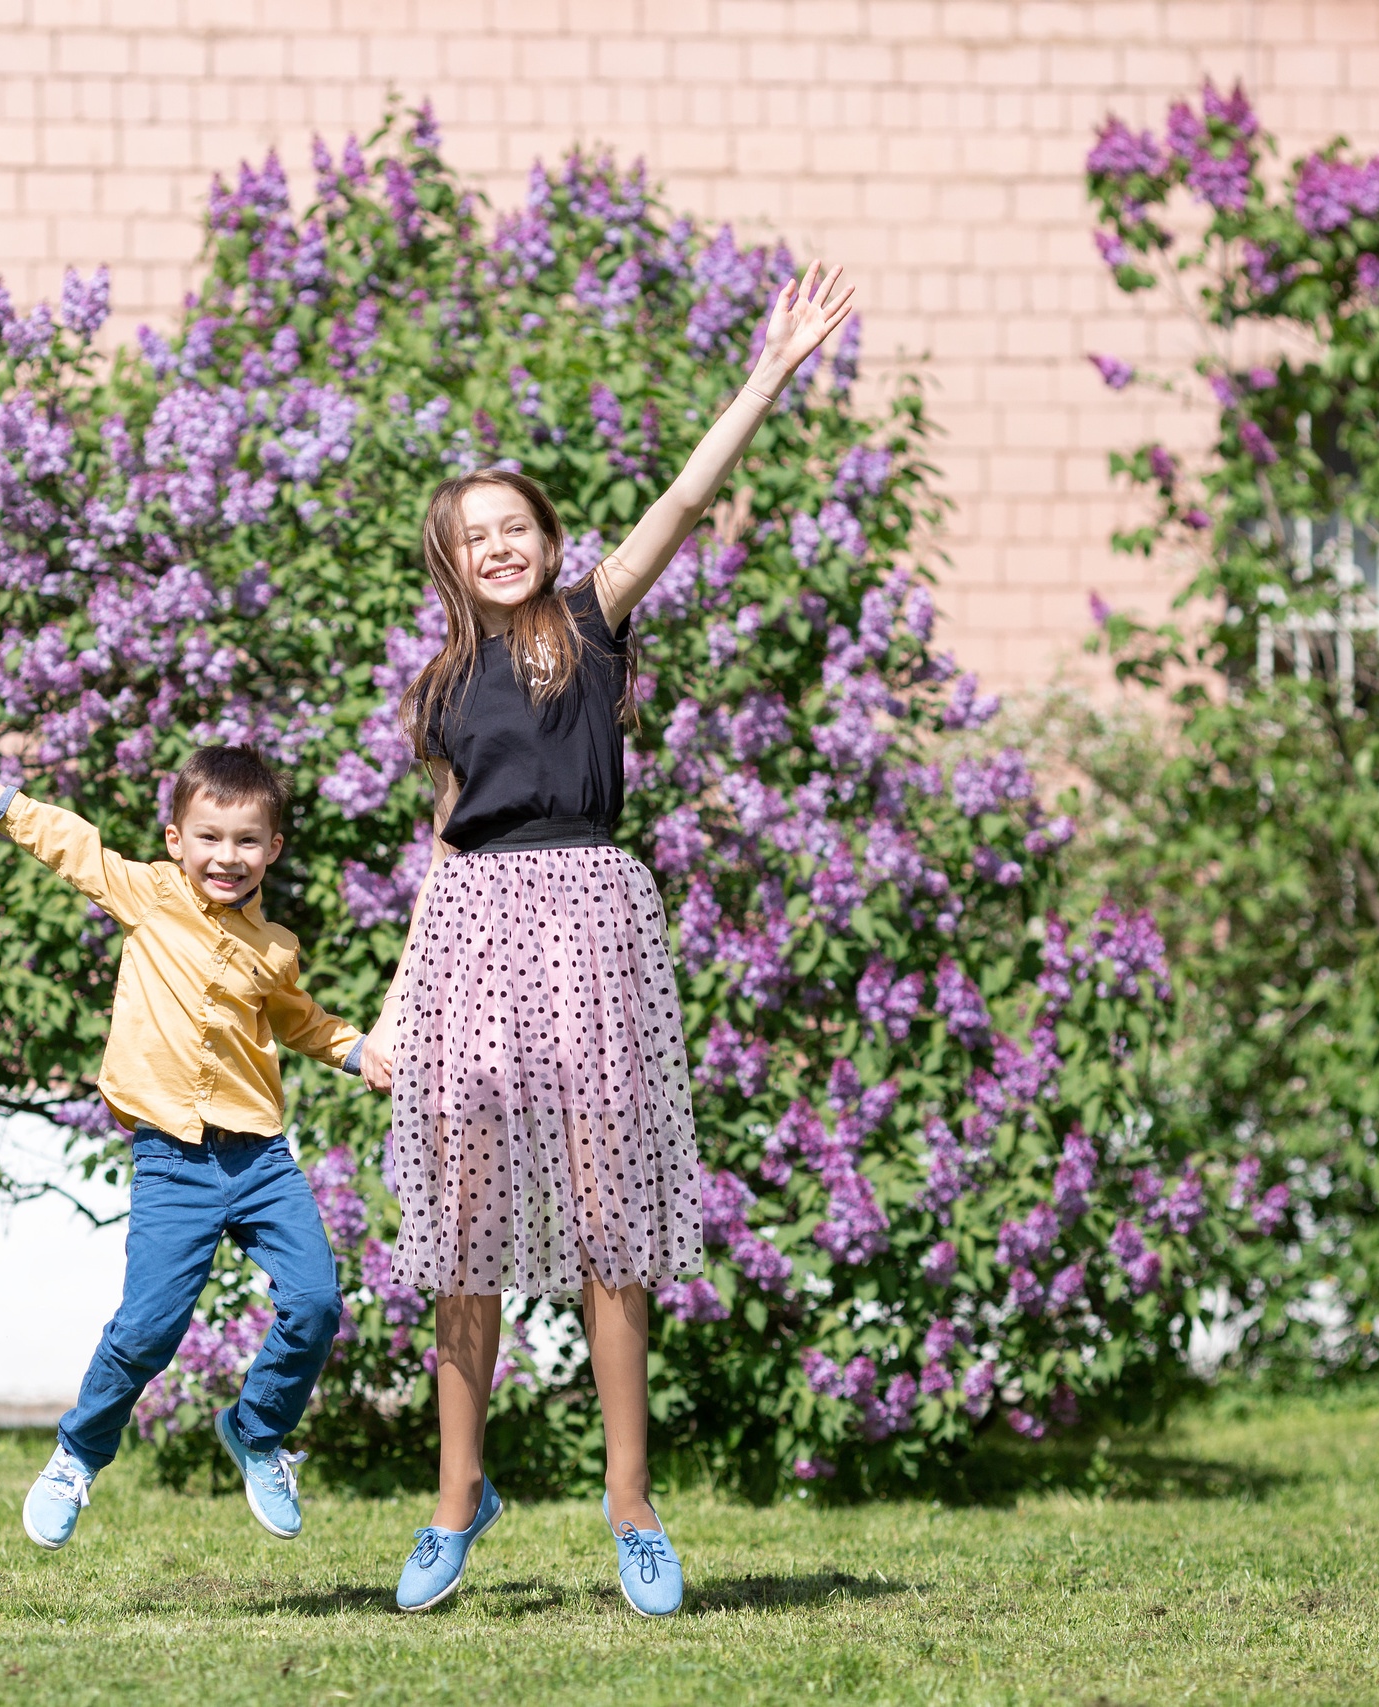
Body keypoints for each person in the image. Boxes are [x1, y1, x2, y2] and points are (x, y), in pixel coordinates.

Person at [360, 262, 858, 1618]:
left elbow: (687, 502)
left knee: (605, 1217)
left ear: (546, 535)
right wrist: (401, 1011)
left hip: (589, 922)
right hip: (470, 933)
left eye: (516, 524)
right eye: (476, 535)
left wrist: (770, 372)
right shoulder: (443, 683)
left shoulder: (590, 620)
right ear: (451, 560)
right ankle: (457, 1496)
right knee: (458, 1222)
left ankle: (630, 1502)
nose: (500, 545)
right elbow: (446, 845)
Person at [0, 712, 373, 1549]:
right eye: (210, 837)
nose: (227, 856)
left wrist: (366, 1052)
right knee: (148, 1328)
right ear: (176, 838)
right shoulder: (148, 894)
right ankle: (77, 1453)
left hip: (259, 1158)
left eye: (247, 841)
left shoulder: (276, 947)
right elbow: (65, 839)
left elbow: (303, 1023)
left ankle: (258, 1431)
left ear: (275, 849)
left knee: (316, 1301)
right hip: (174, 1164)